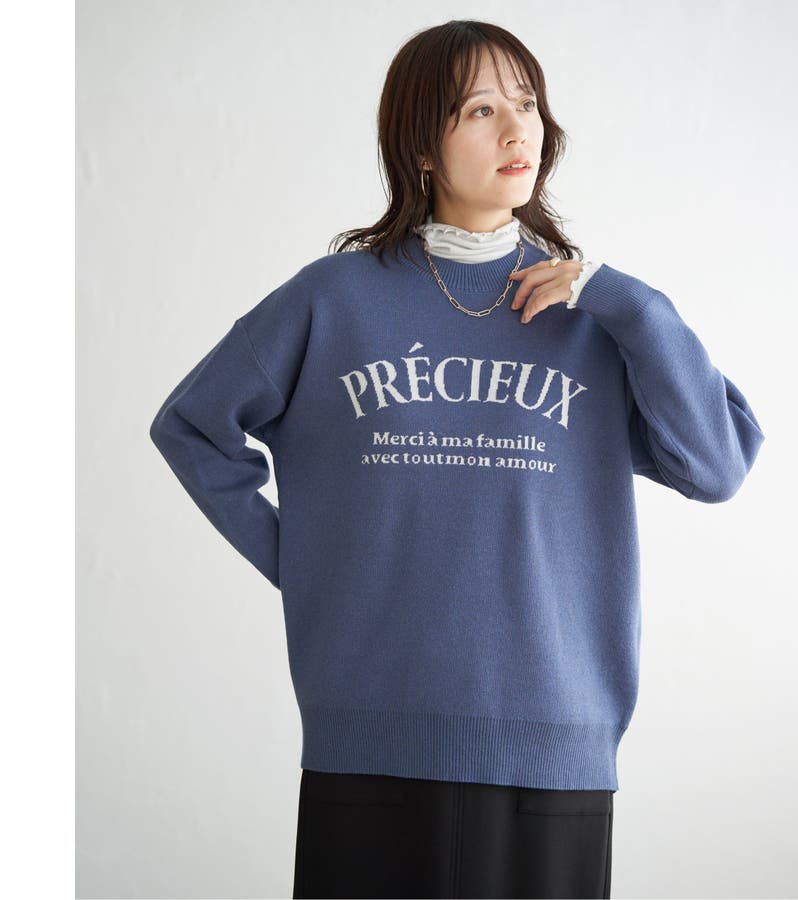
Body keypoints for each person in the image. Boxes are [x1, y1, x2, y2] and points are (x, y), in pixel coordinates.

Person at [149, 19, 765, 900]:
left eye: (527, 104)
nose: (518, 130)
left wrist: (623, 299)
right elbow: (192, 425)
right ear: (421, 147)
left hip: (553, 746)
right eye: (480, 110)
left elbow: (719, 463)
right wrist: (305, 560)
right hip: (368, 742)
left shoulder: (593, 315)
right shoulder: (334, 299)